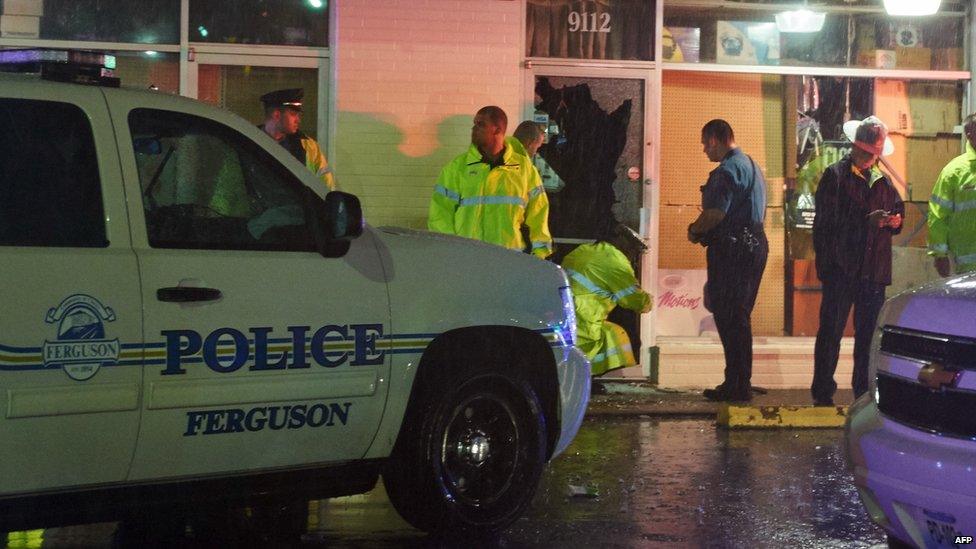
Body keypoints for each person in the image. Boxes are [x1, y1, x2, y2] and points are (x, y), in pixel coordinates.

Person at [812, 116, 903, 406]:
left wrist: (894, 221)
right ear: (854, 147)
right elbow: (827, 223)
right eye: (864, 151)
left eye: (871, 153)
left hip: (872, 272)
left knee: (866, 338)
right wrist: (866, 223)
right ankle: (823, 394)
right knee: (831, 334)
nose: (867, 158)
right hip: (842, 269)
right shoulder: (835, 176)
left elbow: (898, 211)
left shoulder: (883, 181)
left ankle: (862, 395)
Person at [688, 119, 768, 402]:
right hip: (754, 244)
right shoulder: (752, 165)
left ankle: (737, 384)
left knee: (730, 316)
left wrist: (695, 231)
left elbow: (715, 214)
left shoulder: (727, 171)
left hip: (733, 247)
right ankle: (738, 380)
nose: (703, 150)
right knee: (739, 316)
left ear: (714, 139)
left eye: (704, 143)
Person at [428, 106, 553, 259]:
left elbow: (539, 212)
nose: (474, 128)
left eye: (480, 124)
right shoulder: (456, 168)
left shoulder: (524, 169)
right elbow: (440, 214)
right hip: (468, 258)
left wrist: (541, 253)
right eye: (475, 124)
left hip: (508, 260)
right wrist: (452, 251)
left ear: (497, 129)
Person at [561, 223, 652, 377]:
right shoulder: (615, 261)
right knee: (617, 336)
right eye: (633, 250)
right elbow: (634, 300)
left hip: (564, 312)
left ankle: (586, 379)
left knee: (606, 335)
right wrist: (649, 301)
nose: (632, 256)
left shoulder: (583, 250)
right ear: (624, 243)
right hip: (585, 318)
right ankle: (588, 378)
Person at [928, 113, 976, 277]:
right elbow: (938, 215)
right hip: (968, 267)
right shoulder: (954, 172)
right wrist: (939, 255)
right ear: (969, 135)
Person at [259, 88, 335, 192]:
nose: (298, 120)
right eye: (293, 114)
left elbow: (326, 186)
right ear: (277, 115)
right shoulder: (248, 142)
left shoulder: (309, 147)